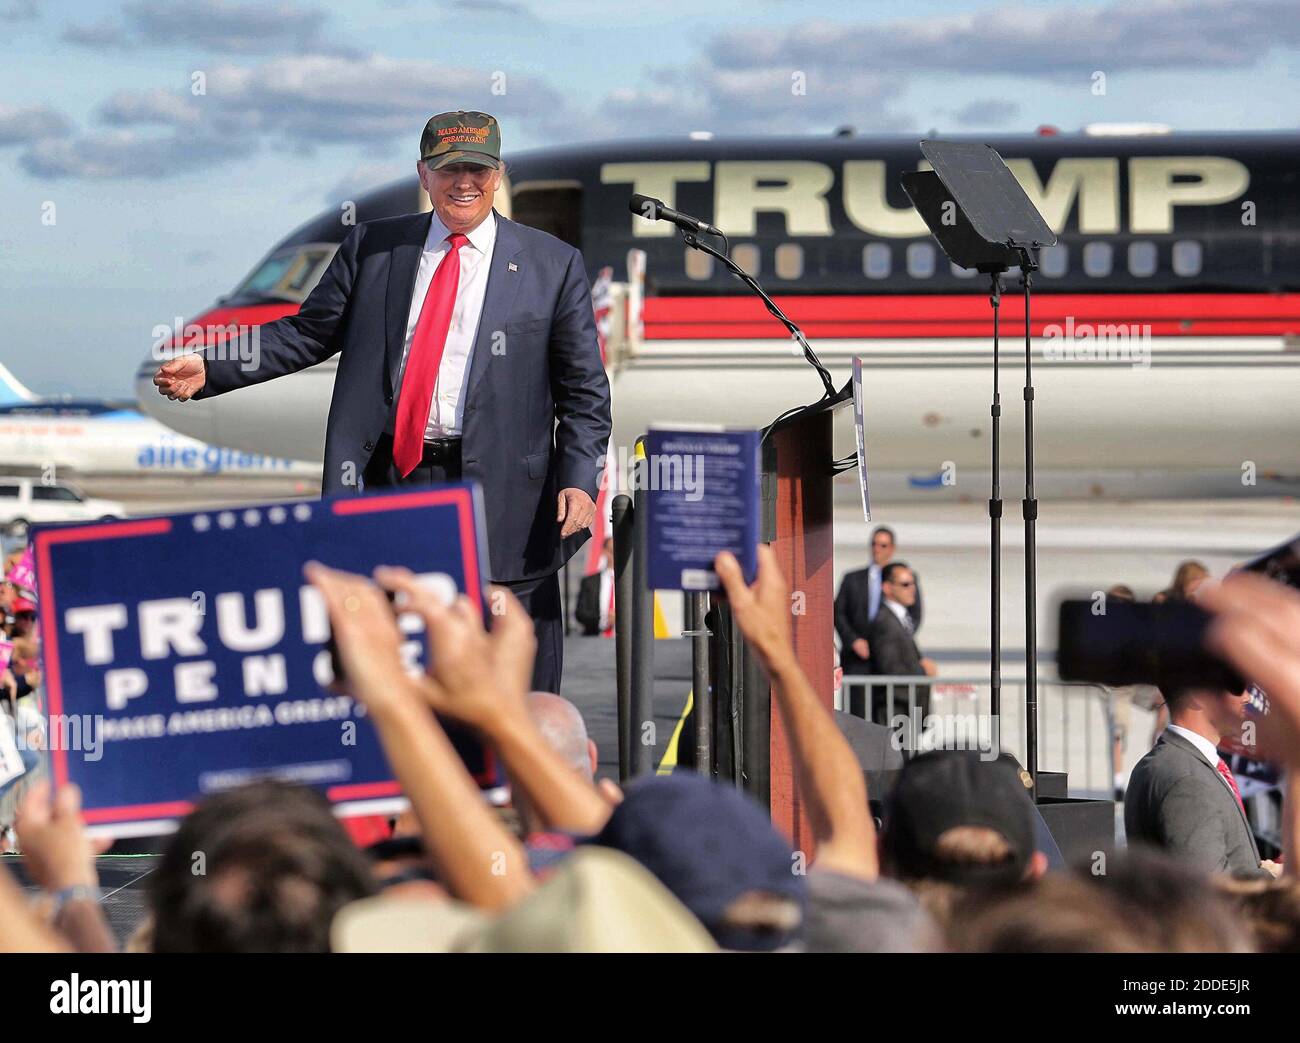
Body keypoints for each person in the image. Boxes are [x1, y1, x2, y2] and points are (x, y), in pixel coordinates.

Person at [153, 111, 612, 695]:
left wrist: (578, 478)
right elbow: (307, 333)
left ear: (498, 175)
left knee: (516, 685)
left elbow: (584, 392)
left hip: (505, 501)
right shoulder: (373, 247)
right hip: (393, 482)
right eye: (448, 171)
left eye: (477, 168)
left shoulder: (551, 263)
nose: (462, 182)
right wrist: (215, 363)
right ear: (423, 174)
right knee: (390, 673)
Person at [1124, 683, 1274, 878]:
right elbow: (1210, 889)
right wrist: (1270, 877)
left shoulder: (1181, 764)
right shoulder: (1187, 780)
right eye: (1237, 685)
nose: (1247, 698)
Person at [834, 525, 922, 676]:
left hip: (892, 658)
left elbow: (914, 614)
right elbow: (838, 613)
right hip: (858, 660)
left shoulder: (905, 578)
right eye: (873, 544)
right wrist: (854, 641)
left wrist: (895, 641)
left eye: (883, 545)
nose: (877, 549)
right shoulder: (852, 579)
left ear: (892, 548)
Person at [865, 562, 936, 724]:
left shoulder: (901, 618)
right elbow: (890, 668)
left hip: (905, 711)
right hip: (894, 712)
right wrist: (923, 671)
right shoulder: (885, 621)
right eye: (905, 584)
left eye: (913, 583)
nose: (912, 589)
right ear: (887, 588)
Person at [575, 538, 615, 636]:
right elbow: (580, 613)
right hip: (595, 639)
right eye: (611, 551)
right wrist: (604, 620)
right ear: (604, 551)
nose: (615, 556)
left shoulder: (633, 582)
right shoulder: (589, 582)